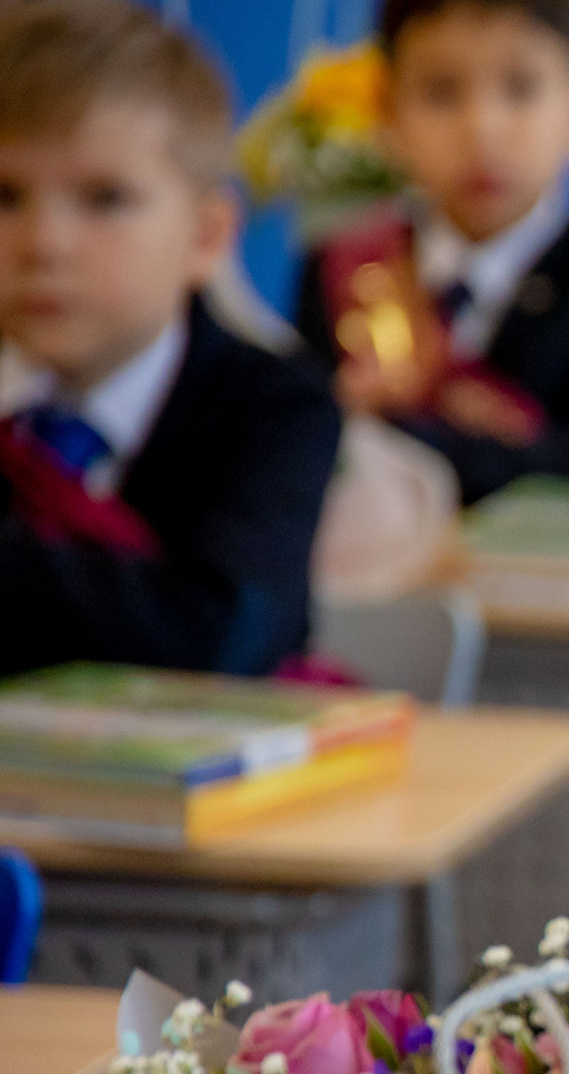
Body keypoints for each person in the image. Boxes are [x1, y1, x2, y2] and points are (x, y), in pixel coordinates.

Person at [0, 0, 340, 679]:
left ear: (206, 235)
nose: (44, 244)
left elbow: (215, 634)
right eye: (5, 197)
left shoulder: (275, 407)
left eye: (105, 199)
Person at [293, 0, 569, 506]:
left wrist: (390, 430)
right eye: (441, 92)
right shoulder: (340, 266)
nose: (482, 128)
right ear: (386, 113)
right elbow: (296, 449)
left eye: (521, 88)